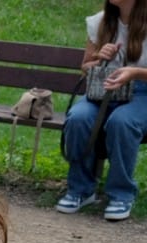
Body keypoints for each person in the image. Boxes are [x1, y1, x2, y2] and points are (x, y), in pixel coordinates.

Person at [56, 0, 147, 221]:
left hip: (142, 93)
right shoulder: (100, 21)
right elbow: (85, 66)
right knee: (78, 117)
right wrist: (99, 59)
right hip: (103, 90)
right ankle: (80, 190)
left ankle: (121, 194)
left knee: (121, 121)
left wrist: (135, 73)